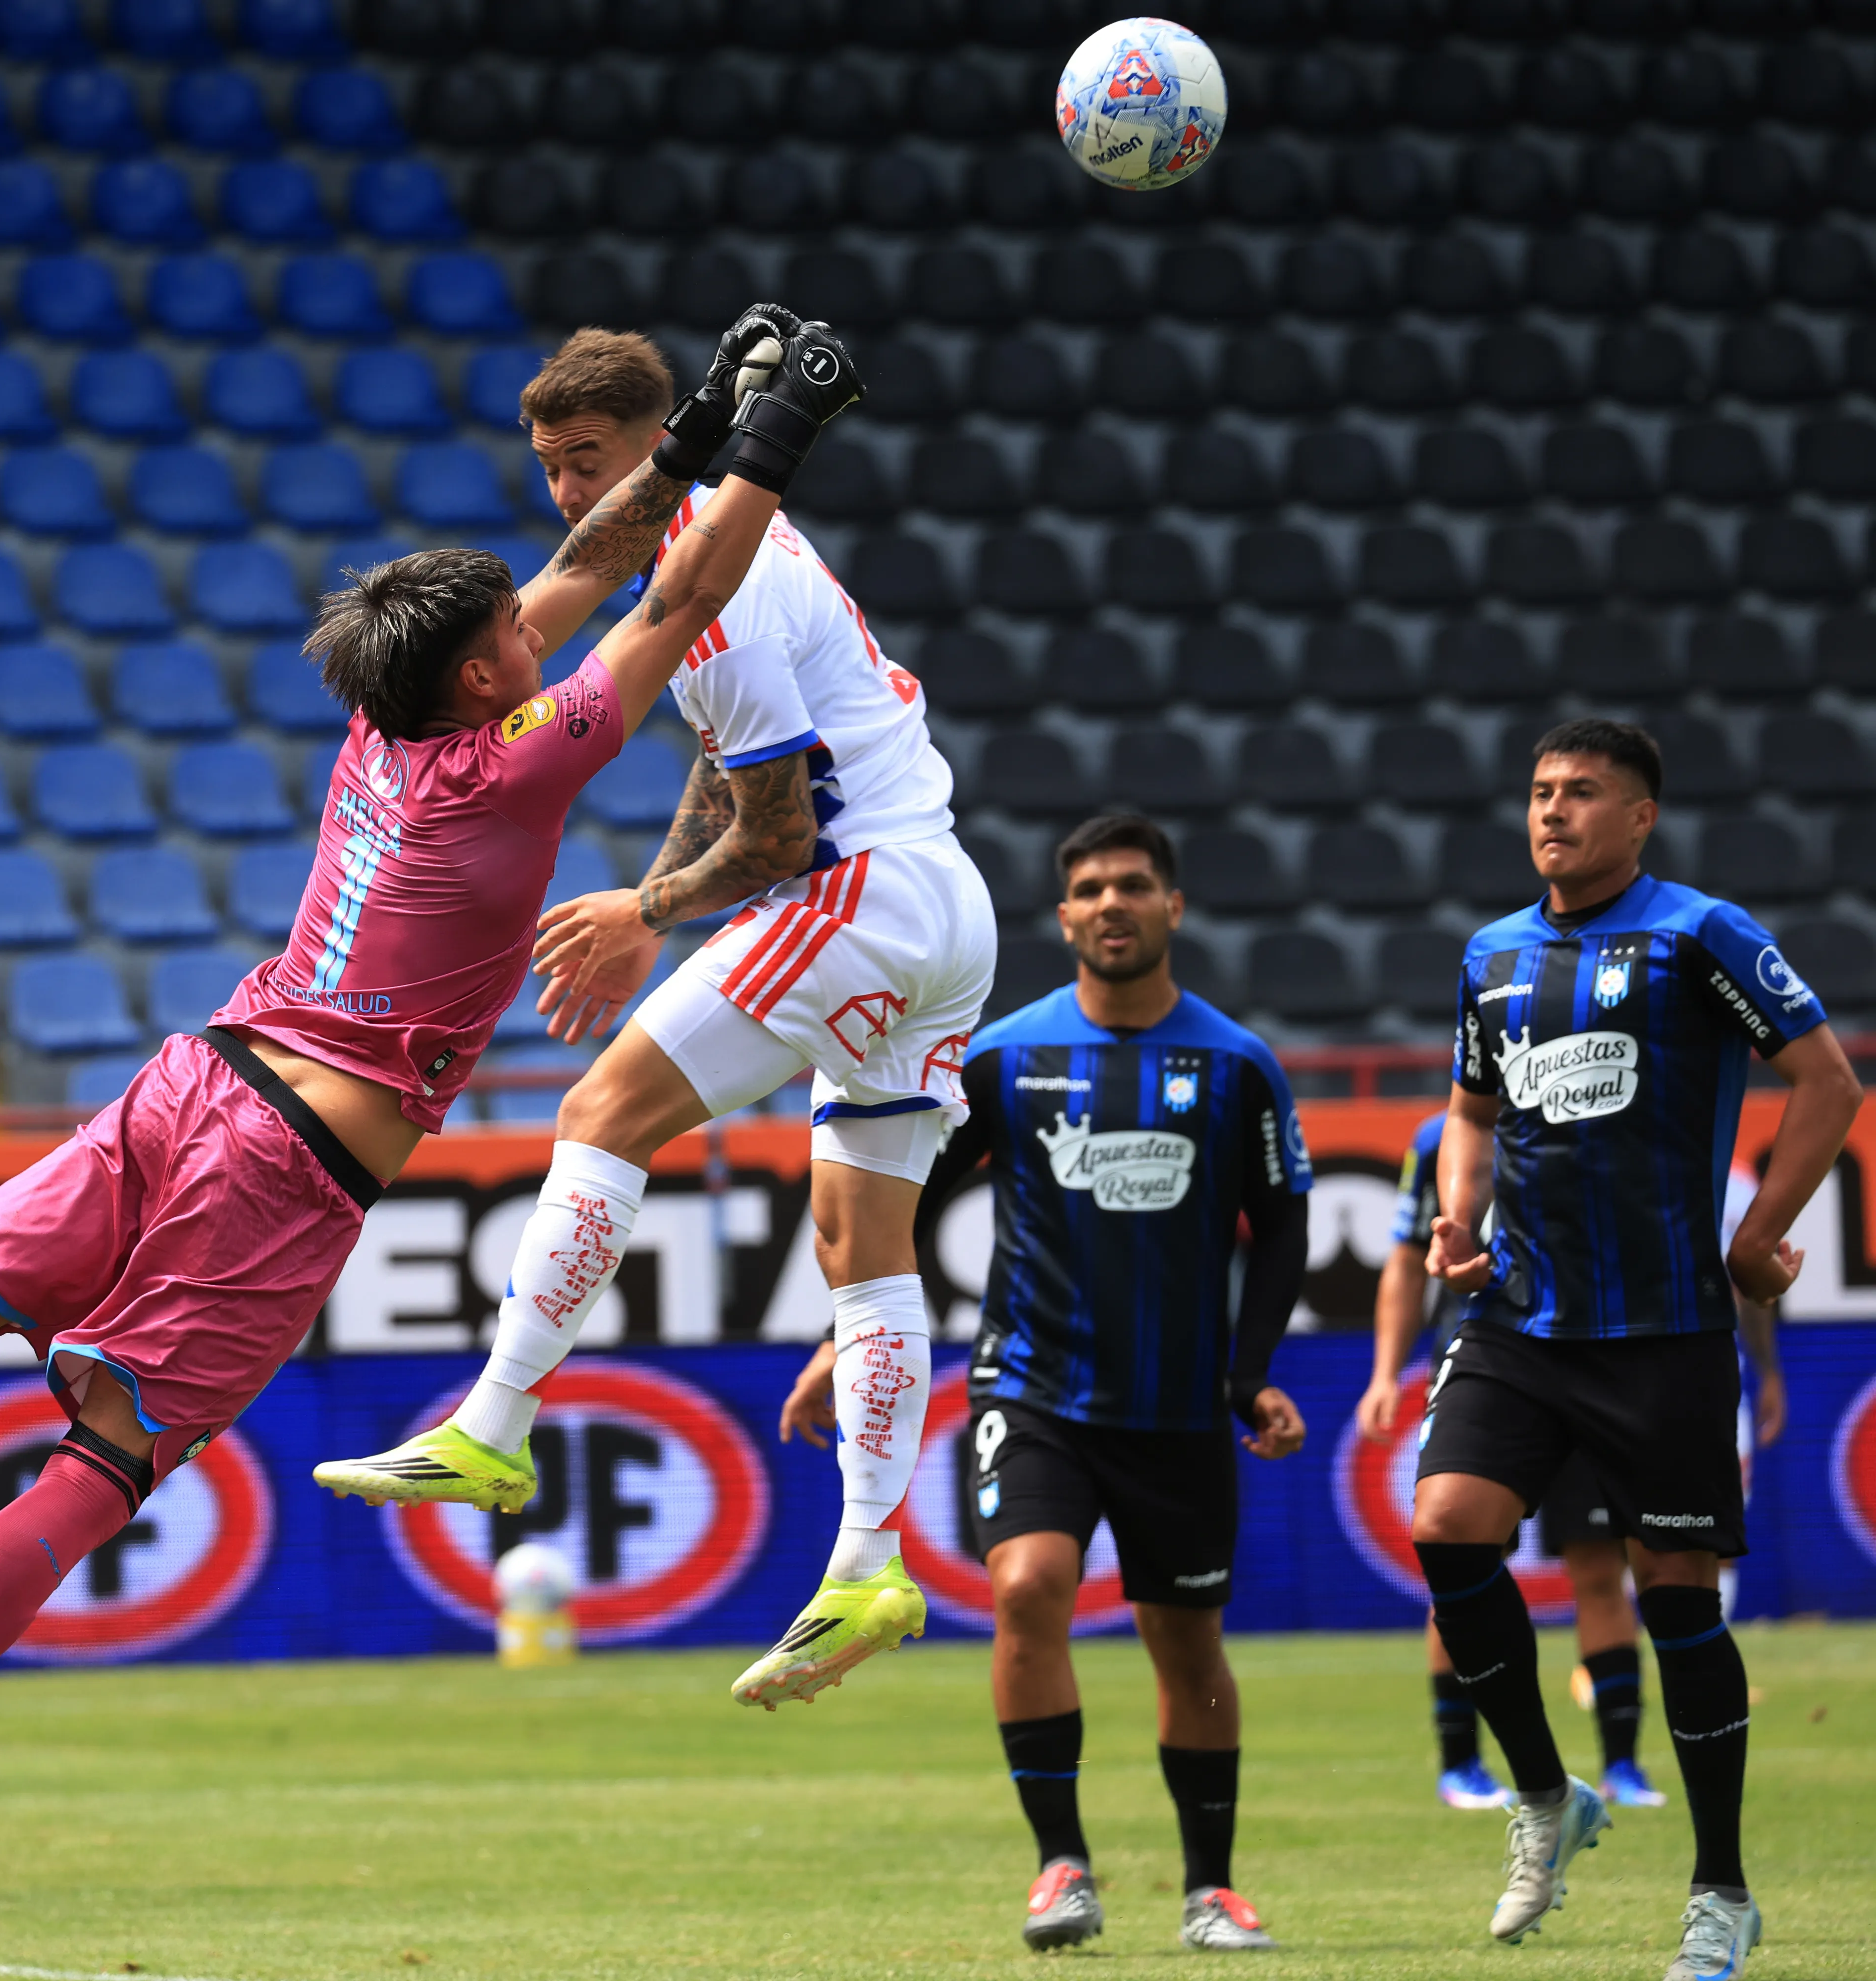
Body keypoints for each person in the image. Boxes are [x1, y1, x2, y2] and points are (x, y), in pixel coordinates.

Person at [0, 313, 871, 1937]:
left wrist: (703, 416)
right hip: (288, 1163)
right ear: (490, 672)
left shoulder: (386, 729)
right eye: (516, 627)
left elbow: (596, 554)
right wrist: (784, 434)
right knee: (107, 1459)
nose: (537, 611)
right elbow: (680, 593)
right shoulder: (511, 769)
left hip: (191, 1078)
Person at [313, 327, 997, 1717]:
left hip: (854, 892)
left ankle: (497, 1424)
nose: (567, 494)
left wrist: (648, 912)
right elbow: (703, 716)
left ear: (644, 444)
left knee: (600, 1115)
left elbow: (778, 828)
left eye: (585, 463)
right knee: (862, 1248)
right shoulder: (711, 537)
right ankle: (869, 1563)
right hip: (946, 910)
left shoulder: (725, 590)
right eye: (549, 467)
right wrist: (704, 428)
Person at [781, 814, 1308, 1953]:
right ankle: (1059, 1864)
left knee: (1186, 1641)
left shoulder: (1238, 1066)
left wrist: (1250, 1372)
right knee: (1027, 1585)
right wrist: (848, 1330)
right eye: (1088, 889)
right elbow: (902, 1201)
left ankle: (1210, 1887)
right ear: (1062, 916)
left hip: (1177, 1406)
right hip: (1033, 1390)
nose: (1110, 903)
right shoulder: (1008, 1057)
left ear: (1173, 906)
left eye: (1132, 884)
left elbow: (1282, 1231)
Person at [1415, 718, 1860, 1977]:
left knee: (1675, 1597)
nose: (1553, 812)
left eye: (1584, 793)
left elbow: (1827, 1081)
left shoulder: (1700, 932)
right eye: (1543, 791)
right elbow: (1468, 1103)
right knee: (1448, 1521)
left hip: (1663, 1325)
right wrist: (1459, 1208)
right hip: (1520, 1316)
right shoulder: (1493, 952)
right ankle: (1550, 1794)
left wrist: (1759, 1234)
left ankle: (1721, 1890)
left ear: (1642, 814)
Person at [1364, 1121, 1789, 1813]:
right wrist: (1385, 1372)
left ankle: (1621, 1763)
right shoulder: (1445, 1134)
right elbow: (1411, 1256)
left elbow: (1724, 1257)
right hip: (1496, 1362)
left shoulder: (1616, 1101)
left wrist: (1766, 1366)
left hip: (1608, 1358)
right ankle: (1462, 1762)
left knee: (1602, 1566)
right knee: (1462, 1556)